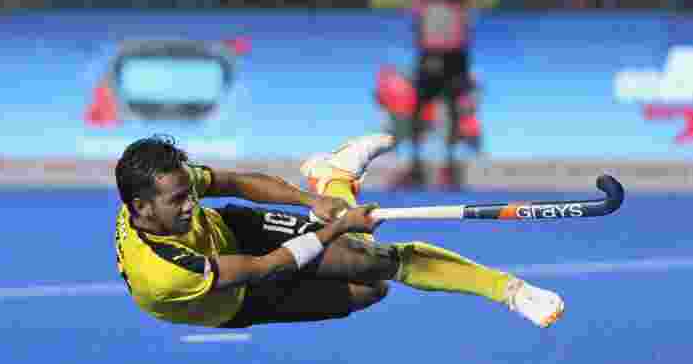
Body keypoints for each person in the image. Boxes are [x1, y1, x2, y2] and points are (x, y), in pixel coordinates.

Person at [114, 133, 564, 330]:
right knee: (369, 290)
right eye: (178, 202)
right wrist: (339, 222)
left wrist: (313, 203)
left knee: (374, 261)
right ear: (142, 209)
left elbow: (233, 182)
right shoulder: (165, 271)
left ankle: (509, 291)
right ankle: (336, 177)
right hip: (233, 297)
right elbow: (265, 266)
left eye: (188, 192)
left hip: (234, 233)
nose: (190, 204)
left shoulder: (167, 184)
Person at [391, 0, 480, 191]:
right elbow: (418, 16)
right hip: (431, 52)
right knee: (420, 108)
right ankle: (416, 166)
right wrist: (424, 47)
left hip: (454, 53)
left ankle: (450, 166)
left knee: (453, 109)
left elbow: (468, 12)